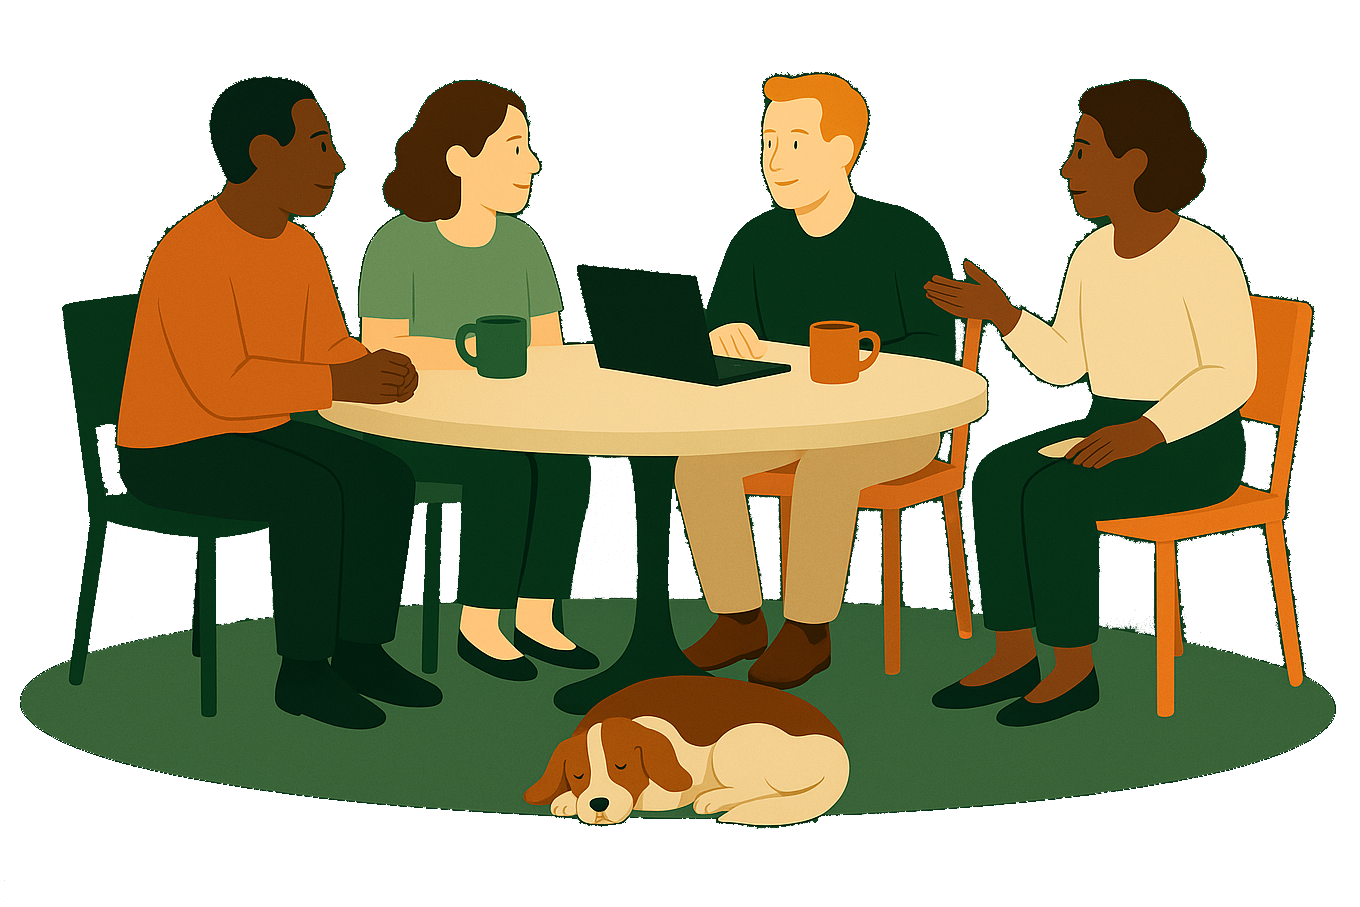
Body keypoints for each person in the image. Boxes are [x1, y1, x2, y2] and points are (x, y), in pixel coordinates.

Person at [925, 79, 1256, 726]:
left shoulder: (1205, 254)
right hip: (1108, 422)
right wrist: (1006, 315)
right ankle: (1014, 653)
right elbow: (1067, 364)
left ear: (1134, 161)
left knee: (1058, 493)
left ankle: (1074, 671)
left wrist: (1150, 429)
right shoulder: (1091, 253)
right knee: (997, 473)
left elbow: (1231, 374)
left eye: (1083, 151)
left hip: (1194, 443)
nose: (1068, 168)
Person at [117, 77, 442, 731]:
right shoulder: (191, 251)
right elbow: (222, 385)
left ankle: (361, 649)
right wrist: (338, 383)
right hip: (170, 447)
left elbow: (328, 343)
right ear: (264, 152)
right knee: (311, 492)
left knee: (383, 478)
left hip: (257, 428)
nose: (338, 163)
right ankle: (303, 672)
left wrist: (372, 367)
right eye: (319, 145)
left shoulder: (301, 247)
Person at [674, 73, 960, 690]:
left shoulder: (905, 238)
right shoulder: (754, 241)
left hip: (897, 428)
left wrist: (866, 372)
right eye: (768, 142)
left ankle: (808, 631)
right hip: (784, 421)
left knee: (828, 467)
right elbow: (722, 315)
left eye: (796, 142)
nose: (775, 160)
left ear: (843, 151)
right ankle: (739, 617)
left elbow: (944, 352)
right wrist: (725, 333)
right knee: (699, 462)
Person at [358, 80, 596, 683]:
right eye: (514, 148)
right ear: (460, 157)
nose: (533, 164)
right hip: (413, 427)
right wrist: (471, 358)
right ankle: (481, 624)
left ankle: (538, 615)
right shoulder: (398, 243)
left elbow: (548, 350)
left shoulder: (523, 244)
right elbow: (381, 350)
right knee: (505, 467)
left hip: (510, 419)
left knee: (566, 460)